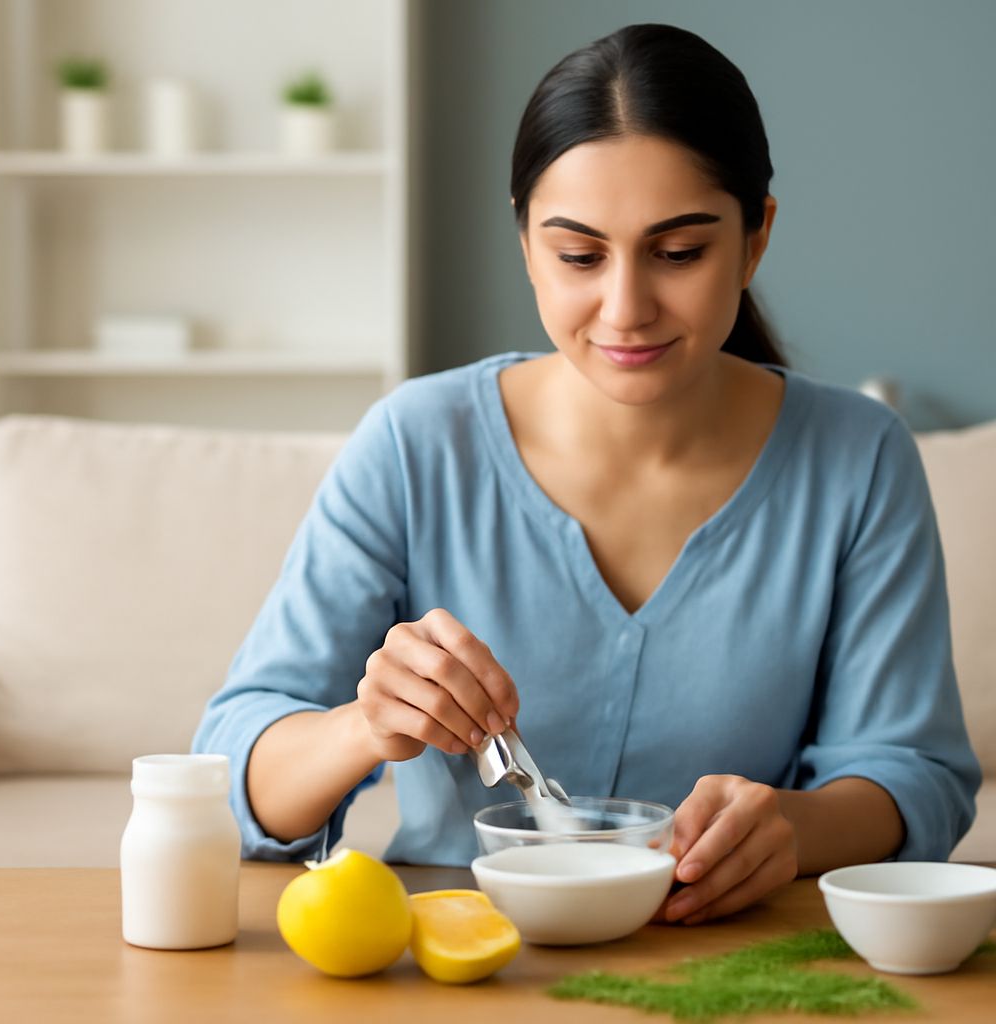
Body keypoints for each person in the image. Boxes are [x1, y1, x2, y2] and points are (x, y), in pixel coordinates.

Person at [194, 23, 979, 925]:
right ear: (527, 243)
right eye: (578, 255)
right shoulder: (416, 443)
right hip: (462, 960)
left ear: (756, 237)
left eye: (679, 253)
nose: (626, 308)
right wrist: (364, 726)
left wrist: (792, 830)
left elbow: (910, 776)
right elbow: (230, 779)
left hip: (736, 963)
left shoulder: (860, 458)